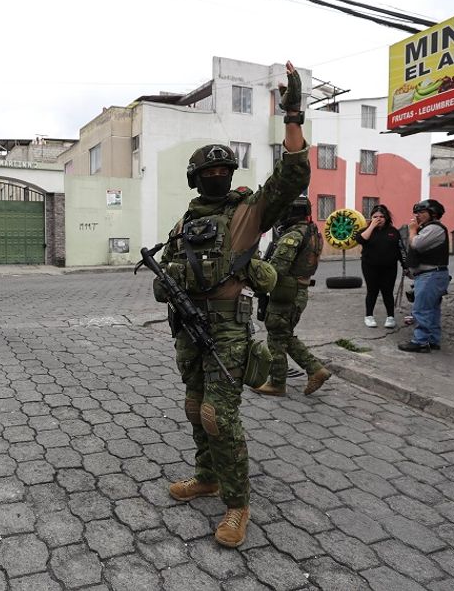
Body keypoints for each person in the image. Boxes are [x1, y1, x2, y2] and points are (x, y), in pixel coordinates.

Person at [155, 61, 310, 548]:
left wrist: (292, 113)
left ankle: (238, 504)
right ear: (195, 178)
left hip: (226, 329)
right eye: (209, 171)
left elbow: (292, 175)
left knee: (219, 415)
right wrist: (169, 285)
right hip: (188, 327)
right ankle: (207, 474)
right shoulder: (183, 223)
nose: (218, 176)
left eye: (225, 169)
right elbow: (164, 277)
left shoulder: (247, 211)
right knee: (193, 405)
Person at [251, 197, 331, 398]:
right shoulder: (312, 231)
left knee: (276, 338)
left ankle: (277, 383)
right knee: (284, 335)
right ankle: (315, 369)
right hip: (298, 291)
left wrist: (256, 264)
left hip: (286, 294)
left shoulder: (293, 235)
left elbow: (276, 269)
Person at [399, 199, 450, 353]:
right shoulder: (428, 228)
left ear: (433, 213)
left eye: (422, 212)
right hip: (430, 275)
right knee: (432, 310)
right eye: (417, 213)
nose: (418, 216)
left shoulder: (434, 228)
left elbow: (416, 244)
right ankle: (432, 340)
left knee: (421, 310)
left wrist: (412, 230)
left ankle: (420, 342)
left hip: (431, 275)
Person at [355, 204, 405, 328]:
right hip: (370, 266)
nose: (379, 219)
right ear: (371, 218)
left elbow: (400, 250)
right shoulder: (366, 230)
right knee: (372, 291)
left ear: (387, 218)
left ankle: (390, 317)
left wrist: (405, 265)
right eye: (375, 216)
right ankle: (369, 316)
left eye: (382, 216)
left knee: (387, 292)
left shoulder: (393, 232)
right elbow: (361, 240)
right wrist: (371, 226)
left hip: (389, 267)